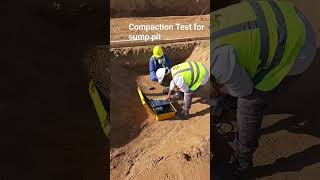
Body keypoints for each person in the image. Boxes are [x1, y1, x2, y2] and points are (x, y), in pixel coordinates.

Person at [211, 0, 317, 176]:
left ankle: (243, 162)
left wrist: (220, 90)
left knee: (250, 104)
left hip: (297, 44)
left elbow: (245, 90)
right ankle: (223, 102)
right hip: (281, 14)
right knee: (231, 83)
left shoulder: (217, 61)